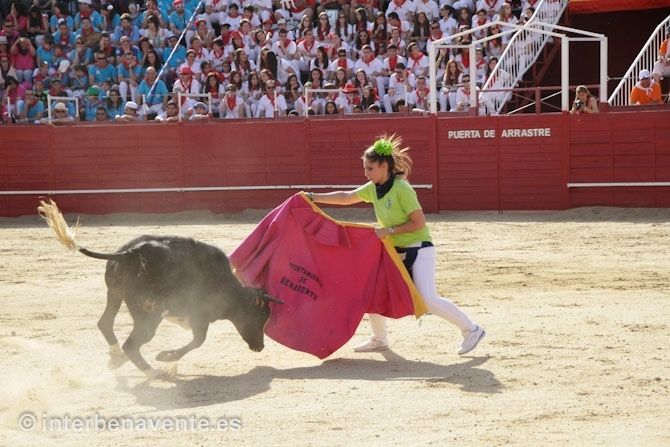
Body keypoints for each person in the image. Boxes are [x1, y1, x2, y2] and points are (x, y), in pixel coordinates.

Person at [307, 135, 486, 354]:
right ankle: (379, 338)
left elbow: (418, 223)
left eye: (370, 168)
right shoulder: (374, 188)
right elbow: (347, 197)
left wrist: (388, 231)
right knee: (373, 292)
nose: (366, 173)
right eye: (365, 168)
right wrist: (313, 197)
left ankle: (472, 330)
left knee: (428, 299)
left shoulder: (402, 189)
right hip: (393, 251)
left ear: (384, 166)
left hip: (419, 248)